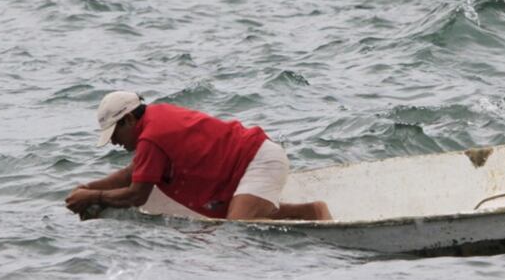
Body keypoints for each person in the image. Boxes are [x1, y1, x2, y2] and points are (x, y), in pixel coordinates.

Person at [65, 91, 331, 221]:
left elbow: (137, 194)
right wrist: (87, 187)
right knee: (240, 221)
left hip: (258, 160)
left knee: (237, 234)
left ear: (129, 120)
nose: (113, 142)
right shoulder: (154, 120)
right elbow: (129, 173)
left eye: (114, 134)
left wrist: (94, 196)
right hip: (253, 159)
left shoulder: (151, 137)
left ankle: (315, 210)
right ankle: (311, 212)